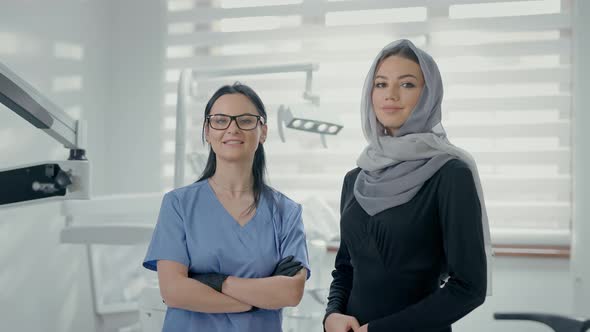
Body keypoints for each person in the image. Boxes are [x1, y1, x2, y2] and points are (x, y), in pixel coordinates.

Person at [323, 39, 493, 332]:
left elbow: (469, 288)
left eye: (407, 84)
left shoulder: (450, 173)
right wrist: (332, 315)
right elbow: (346, 268)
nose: (390, 95)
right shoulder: (355, 179)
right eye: (380, 84)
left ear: (428, 95)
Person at [143, 83, 310, 332]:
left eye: (245, 120)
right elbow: (174, 291)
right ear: (207, 132)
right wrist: (256, 300)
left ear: (263, 131)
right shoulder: (178, 205)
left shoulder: (286, 212)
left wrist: (216, 282)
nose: (232, 128)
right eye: (220, 120)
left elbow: (291, 292)